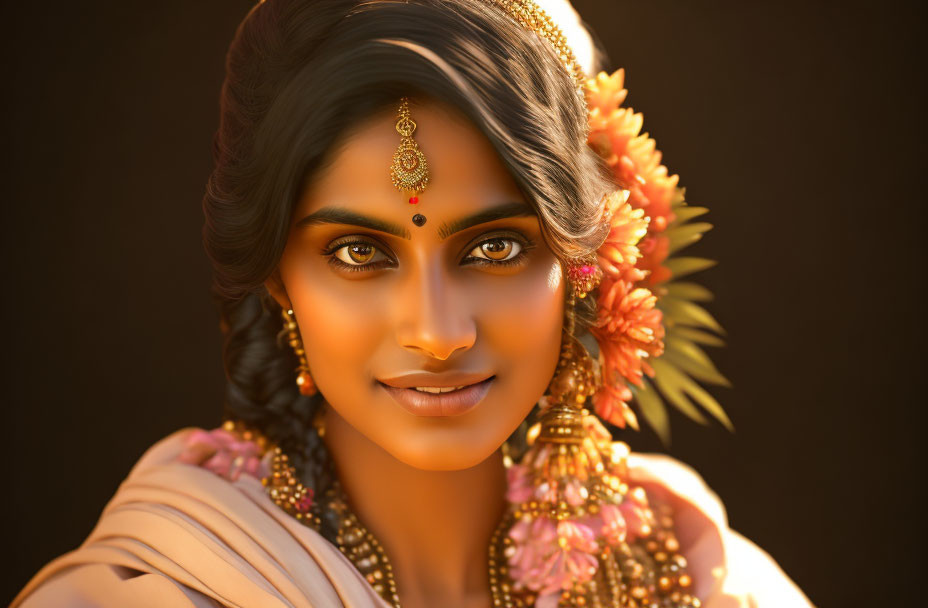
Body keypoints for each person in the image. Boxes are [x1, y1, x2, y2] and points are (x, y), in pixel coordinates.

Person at [11, 0, 814, 606]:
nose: (437, 333)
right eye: (359, 253)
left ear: (591, 261)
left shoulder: (696, 575)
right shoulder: (153, 589)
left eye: (495, 247)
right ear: (276, 277)